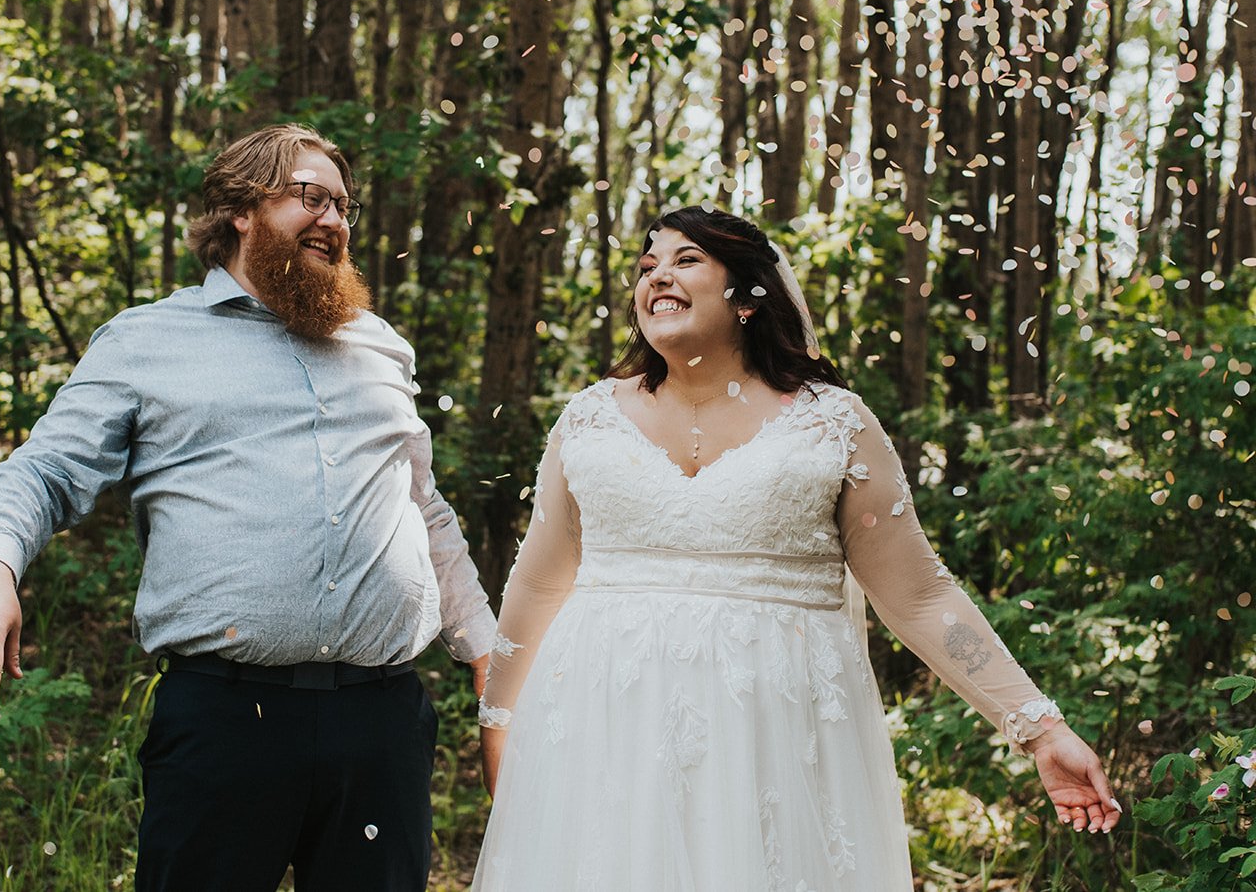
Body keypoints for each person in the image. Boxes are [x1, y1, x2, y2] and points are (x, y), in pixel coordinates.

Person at [471, 205, 1119, 890]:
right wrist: (500, 721)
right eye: (647, 265)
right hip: (606, 739)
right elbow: (539, 585)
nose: (658, 274)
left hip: (770, 749)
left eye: (686, 260)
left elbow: (921, 594)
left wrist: (1041, 729)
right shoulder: (590, 420)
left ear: (749, 295)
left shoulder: (830, 423)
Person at [0, 124, 496, 892]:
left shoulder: (380, 345)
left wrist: (487, 651)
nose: (335, 220)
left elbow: (424, 508)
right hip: (226, 722)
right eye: (312, 197)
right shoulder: (148, 340)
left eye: (345, 206)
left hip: (382, 724)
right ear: (240, 208)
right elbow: (46, 469)